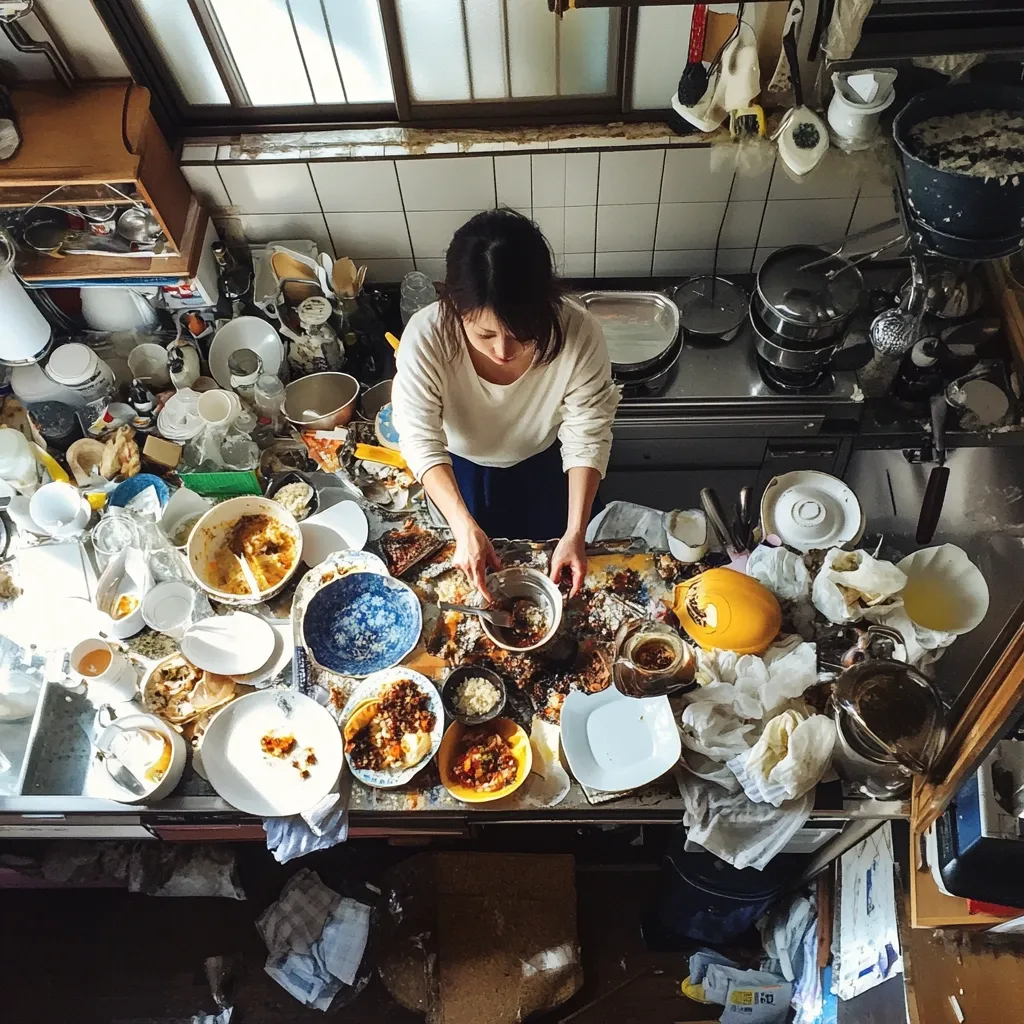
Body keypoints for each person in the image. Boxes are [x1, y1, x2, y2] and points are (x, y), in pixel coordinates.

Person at [392, 209, 619, 598]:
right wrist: (463, 526)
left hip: (549, 465)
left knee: (559, 567)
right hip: (460, 470)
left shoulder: (579, 332)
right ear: (455, 309)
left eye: (522, 334)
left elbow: (587, 434)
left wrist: (575, 533)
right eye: (484, 334)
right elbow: (419, 437)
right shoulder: (427, 337)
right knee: (473, 569)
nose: (502, 351)